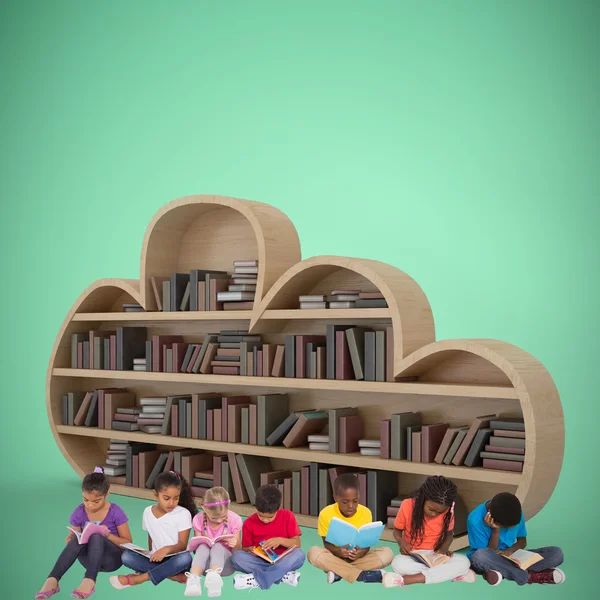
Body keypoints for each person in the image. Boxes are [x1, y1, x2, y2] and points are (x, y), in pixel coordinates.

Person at [35, 466, 132, 599]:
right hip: (88, 560)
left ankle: (89, 581)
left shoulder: (115, 511)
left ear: (107, 495)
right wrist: (71, 541)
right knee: (77, 538)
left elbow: (127, 542)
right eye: (85, 500)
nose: (90, 505)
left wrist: (107, 534)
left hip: (111, 560)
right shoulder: (79, 512)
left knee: (96, 535)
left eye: (96, 501)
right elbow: (73, 539)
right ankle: (52, 580)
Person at [383, 475, 474, 588]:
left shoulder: (448, 512)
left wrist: (443, 549)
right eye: (431, 509)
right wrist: (401, 542)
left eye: (439, 512)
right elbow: (397, 530)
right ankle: (447, 573)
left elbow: (449, 534)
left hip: (436, 554)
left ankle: (407, 580)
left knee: (464, 561)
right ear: (423, 498)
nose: (434, 514)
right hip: (414, 554)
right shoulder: (407, 505)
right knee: (398, 563)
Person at [110, 471, 194, 589]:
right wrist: (151, 553)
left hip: (175, 558)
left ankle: (140, 579)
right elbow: (151, 534)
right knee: (126, 556)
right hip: (156, 558)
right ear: (155, 494)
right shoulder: (147, 512)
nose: (171, 503)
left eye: (176, 498)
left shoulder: (183, 514)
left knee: (186, 558)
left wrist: (165, 550)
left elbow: (182, 545)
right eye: (166, 498)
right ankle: (173, 577)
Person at [308, 473, 393, 583]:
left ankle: (338, 572)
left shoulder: (366, 513)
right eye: (345, 502)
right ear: (335, 498)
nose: (351, 506)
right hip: (335, 557)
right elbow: (327, 544)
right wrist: (339, 552)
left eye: (355, 501)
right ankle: (361, 576)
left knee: (387, 553)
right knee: (313, 552)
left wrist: (361, 552)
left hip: (358, 559)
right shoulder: (326, 513)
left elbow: (367, 546)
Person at [467, 492, 565, 585]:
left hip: (511, 556)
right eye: (506, 527)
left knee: (556, 553)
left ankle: (502, 572)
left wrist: (510, 551)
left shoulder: (514, 511)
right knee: (479, 556)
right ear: (491, 516)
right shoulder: (475, 520)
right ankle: (528, 577)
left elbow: (522, 541)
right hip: (490, 557)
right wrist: (495, 530)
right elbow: (489, 552)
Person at [230, 485, 305, 590]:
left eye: (270, 517)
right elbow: (245, 548)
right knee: (236, 557)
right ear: (256, 507)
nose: (265, 520)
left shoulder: (288, 516)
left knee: (299, 554)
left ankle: (258, 579)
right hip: (260, 560)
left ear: (278, 508)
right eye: (261, 516)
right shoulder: (248, 523)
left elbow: (297, 544)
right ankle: (282, 575)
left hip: (283, 559)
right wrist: (250, 550)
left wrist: (280, 540)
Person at [184, 486, 242, 597]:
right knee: (202, 546)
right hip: (203, 567)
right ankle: (194, 579)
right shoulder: (198, 519)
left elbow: (237, 552)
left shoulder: (235, 519)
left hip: (225, 566)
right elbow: (197, 552)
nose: (219, 520)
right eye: (214, 518)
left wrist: (235, 543)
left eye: (223, 516)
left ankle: (215, 579)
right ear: (203, 508)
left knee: (218, 547)